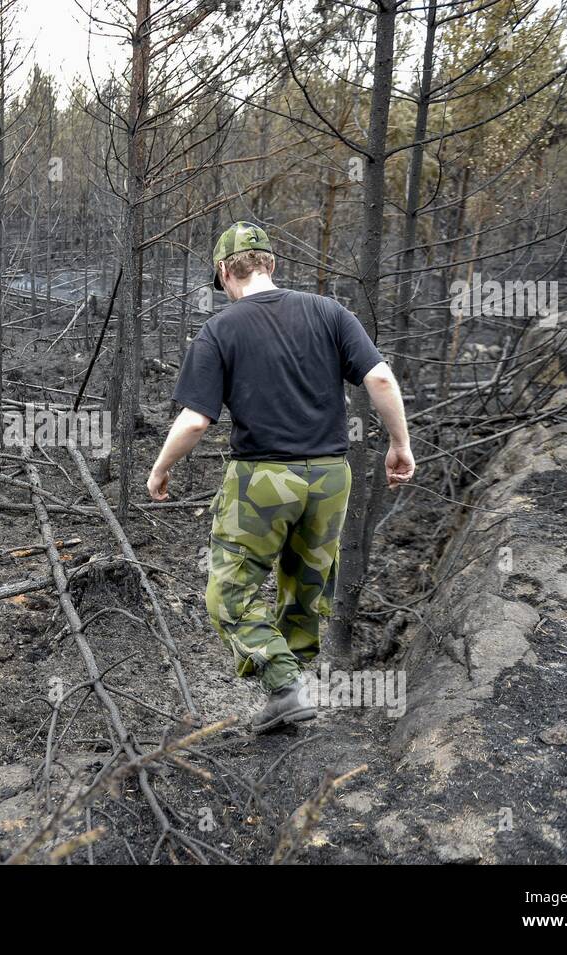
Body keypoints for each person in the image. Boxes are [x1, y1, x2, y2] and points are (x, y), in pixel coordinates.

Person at [147, 221, 414, 731]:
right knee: (304, 588)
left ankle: (284, 686)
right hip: (332, 478)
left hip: (264, 480)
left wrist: (161, 469)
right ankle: (294, 689)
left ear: (226, 271)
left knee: (227, 594)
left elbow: (196, 419)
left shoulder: (221, 329)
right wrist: (399, 445)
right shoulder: (329, 312)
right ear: (270, 263)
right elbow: (379, 376)